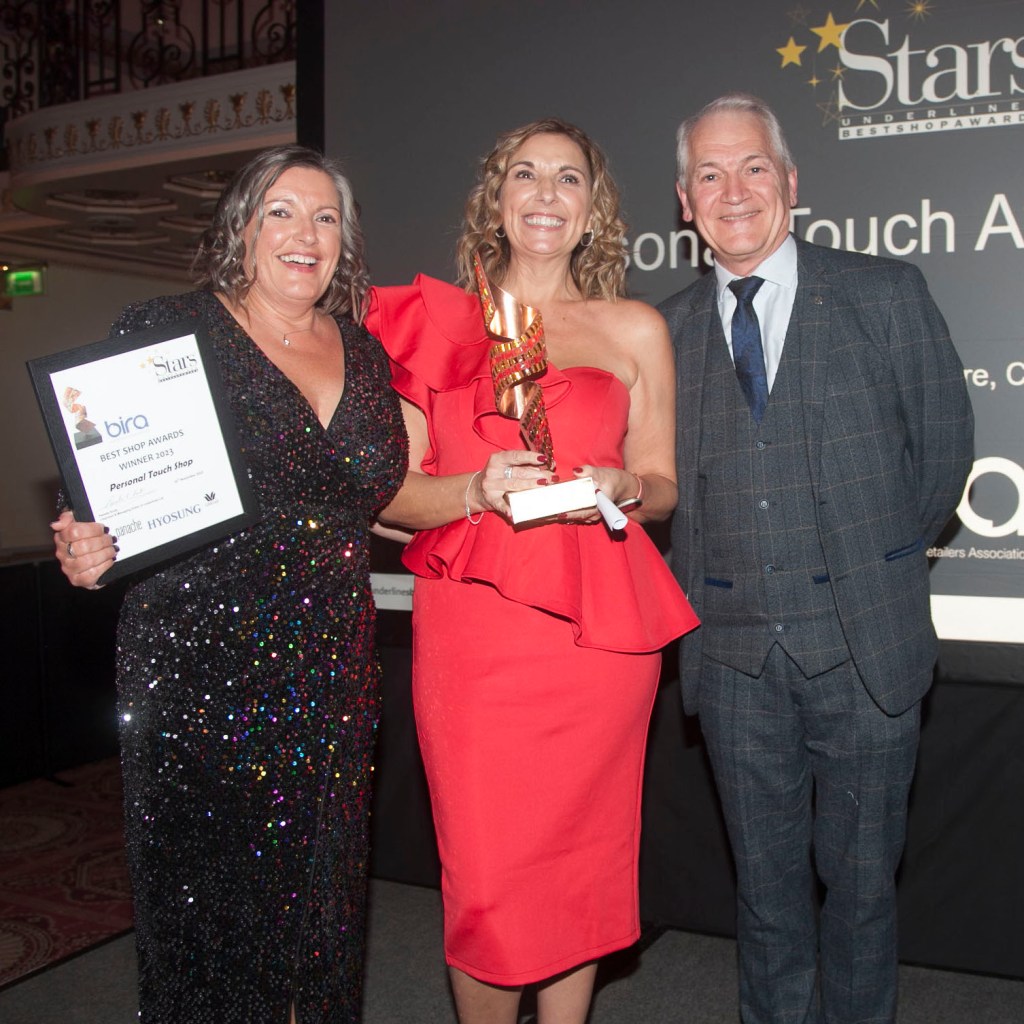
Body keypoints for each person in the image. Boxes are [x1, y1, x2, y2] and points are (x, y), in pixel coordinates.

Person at [50, 145, 407, 1023]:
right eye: (280, 211)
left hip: (334, 670)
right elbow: (102, 478)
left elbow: (380, 495)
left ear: (345, 240)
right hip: (201, 669)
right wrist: (81, 536)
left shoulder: (364, 355)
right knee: (208, 912)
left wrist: (482, 491)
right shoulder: (170, 328)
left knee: (321, 906)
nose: (304, 234)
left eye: (325, 217)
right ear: (241, 227)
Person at [367, 118, 698, 1024]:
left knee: (580, 861)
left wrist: (628, 484)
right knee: (486, 872)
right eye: (526, 175)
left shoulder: (634, 328)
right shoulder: (436, 325)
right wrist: (472, 489)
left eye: (568, 179)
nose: (546, 194)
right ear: (497, 199)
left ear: (593, 211)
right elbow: (393, 497)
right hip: (476, 635)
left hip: (599, 640)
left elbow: (664, 487)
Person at [658, 93, 974, 1024]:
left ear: (790, 182)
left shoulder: (885, 293)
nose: (735, 190)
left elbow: (944, 455)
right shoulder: (662, 331)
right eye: (710, 174)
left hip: (865, 652)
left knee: (864, 889)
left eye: (753, 166)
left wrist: (872, 568)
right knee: (765, 896)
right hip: (732, 662)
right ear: (685, 201)